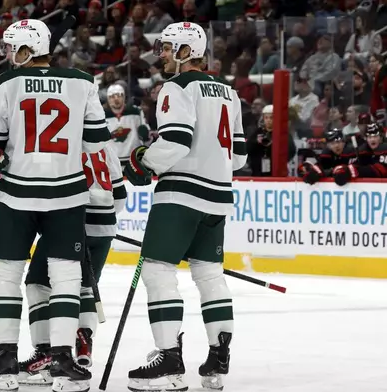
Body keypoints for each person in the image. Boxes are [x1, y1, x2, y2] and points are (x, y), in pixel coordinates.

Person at [0, 18, 110, 392]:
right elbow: (97, 143)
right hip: (68, 194)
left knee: (6, 276)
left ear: (26, 48)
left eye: (11, 47)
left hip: (18, 193)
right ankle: (62, 359)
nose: (7, 54)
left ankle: (5, 359)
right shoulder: (83, 82)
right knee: (66, 278)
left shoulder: (5, 84)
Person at [123, 22, 247, 392]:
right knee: (209, 275)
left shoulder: (175, 87)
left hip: (180, 196)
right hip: (217, 197)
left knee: (158, 271)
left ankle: (168, 360)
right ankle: (217, 359)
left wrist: (144, 161)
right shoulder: (230, 92)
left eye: (166, 48)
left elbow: (176, 141)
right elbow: (238, 157)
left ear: (183, 51)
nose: (160, 53)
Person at [18, 145, 126, 386]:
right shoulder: (107, 147)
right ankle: (83, 340)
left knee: (38, 284)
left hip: (71, 222)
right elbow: (120, 198)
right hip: (105, 226)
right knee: (85, 286)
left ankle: (47, 352)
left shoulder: (65, 137)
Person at [105, 83, 151, 167]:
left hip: (134, 160)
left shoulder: (136, 112)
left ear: (124, 97)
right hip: (111, 162)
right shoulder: (102, 116)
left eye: (119, 95)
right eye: (112, 96)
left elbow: (147, 137)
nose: (116, 99)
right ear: (108, 99)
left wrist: (145, 135)